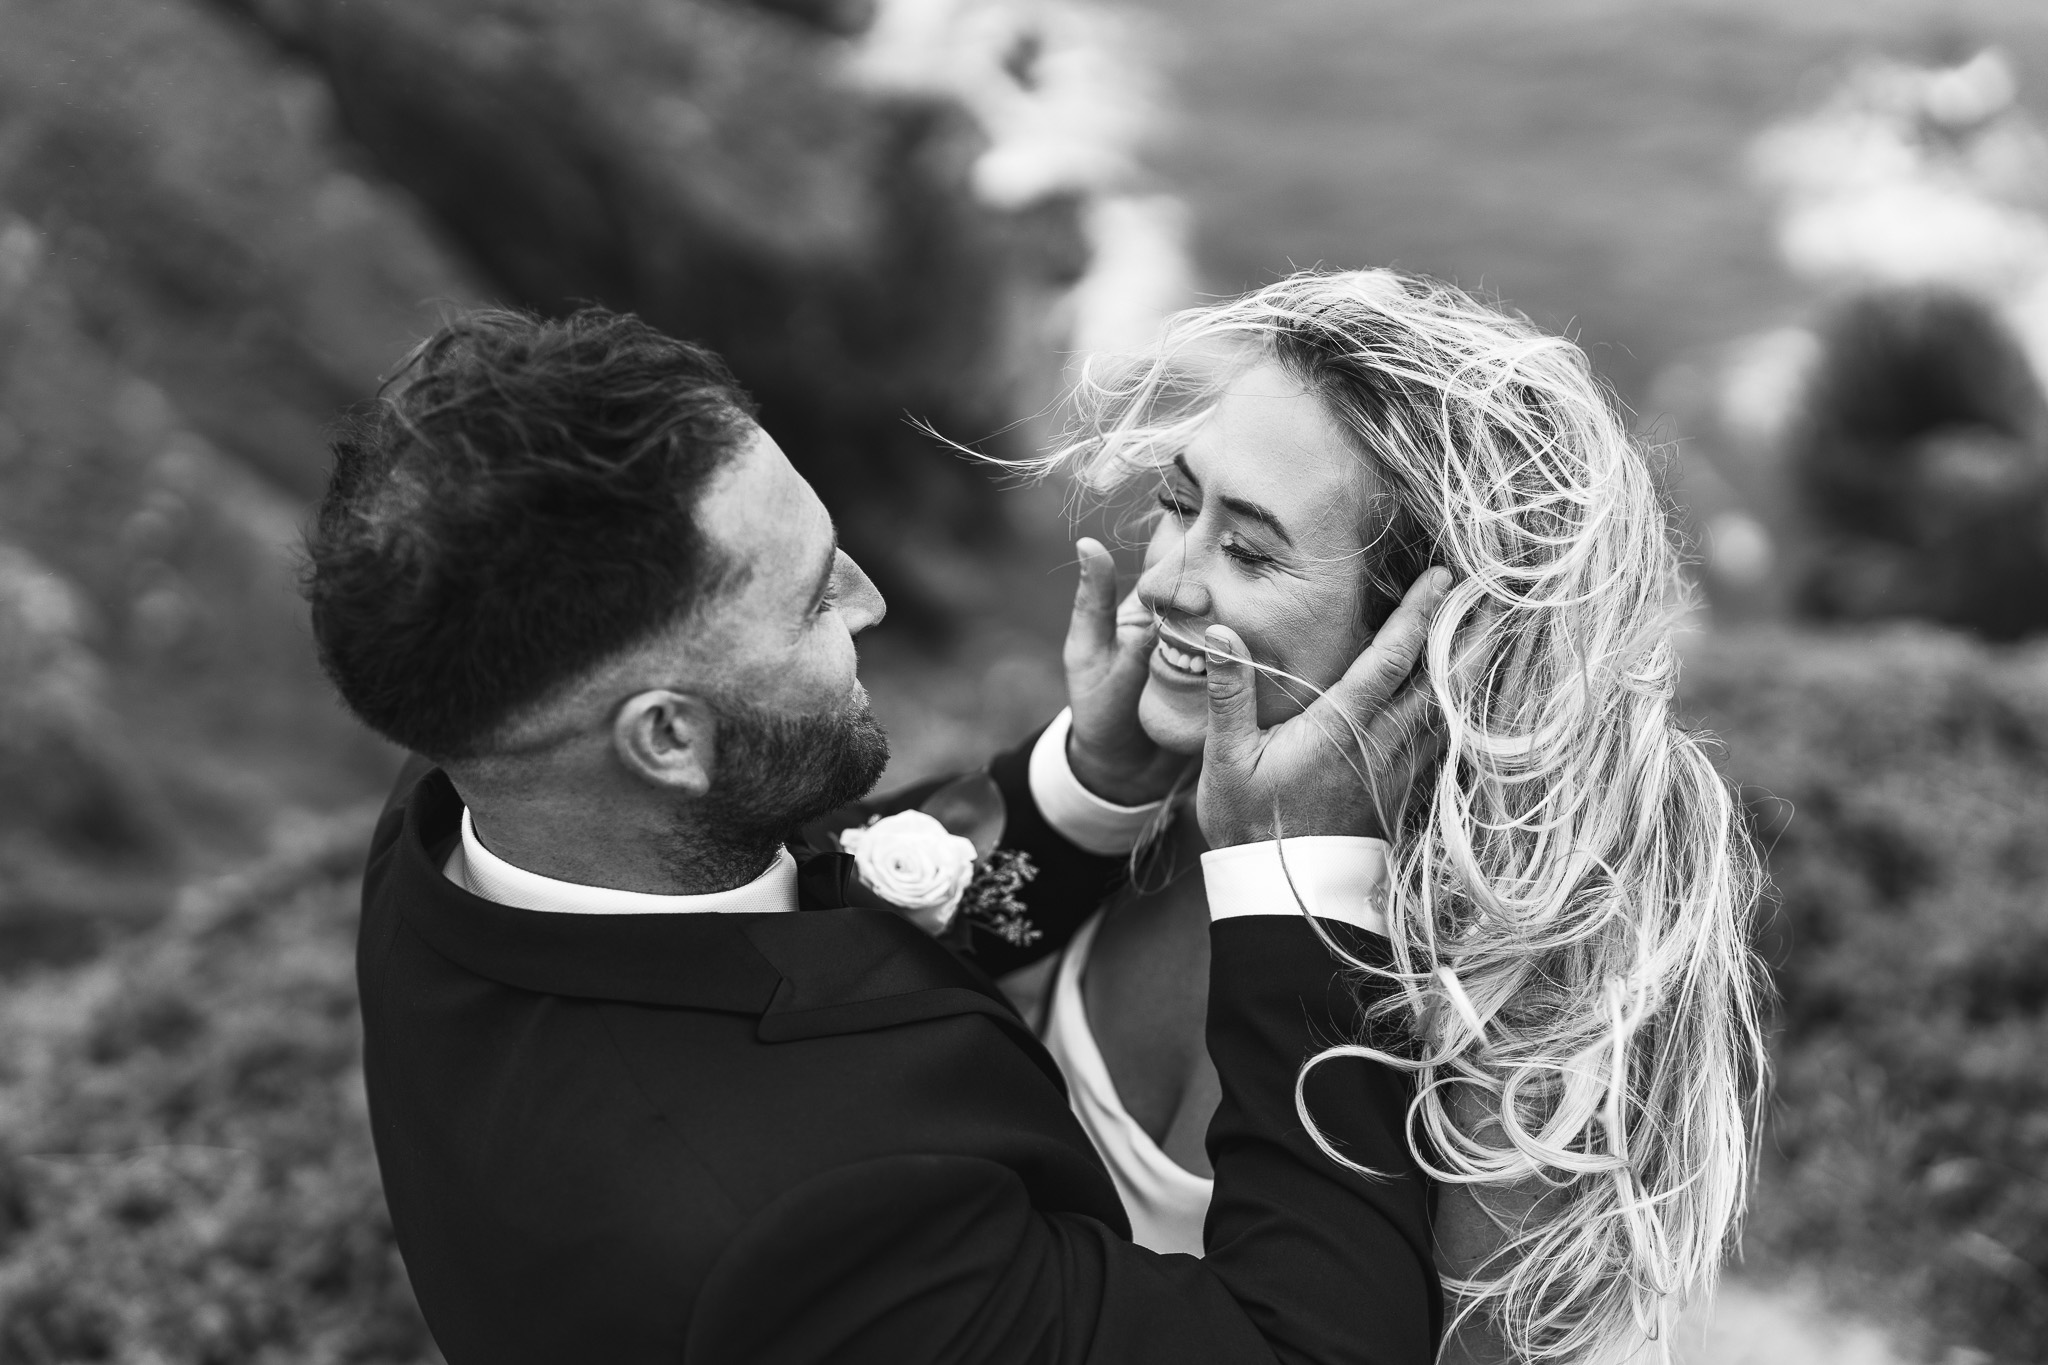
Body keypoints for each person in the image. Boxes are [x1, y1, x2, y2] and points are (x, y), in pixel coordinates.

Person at [304, 306, 1452, 1364]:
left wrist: (1093, 779)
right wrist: (1295, 876)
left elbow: (808, 944)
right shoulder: (797, 1233)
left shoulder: (473, 806)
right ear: (665, 740)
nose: (869, 602)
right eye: (811, 600)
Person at [1004, 269, 1771, 1364]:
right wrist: (1091, 776)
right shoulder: (1159, 771)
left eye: (1251, 549)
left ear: (1432, 634)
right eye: (1180, 503)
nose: (1171, 578)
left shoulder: (1523, 986)